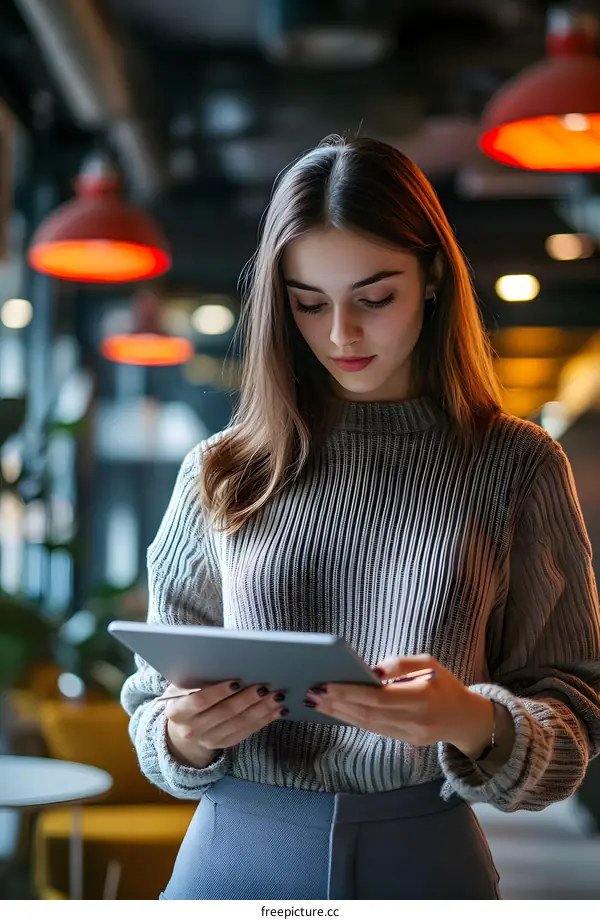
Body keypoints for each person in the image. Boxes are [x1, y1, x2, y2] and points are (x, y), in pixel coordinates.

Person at [121, 135, 600, 900]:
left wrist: (473, 720)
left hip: (425, 859)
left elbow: (576, 712)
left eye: (375, 298)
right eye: (309, 304)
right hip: (233, 858)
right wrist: (182, 733)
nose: (341, 334)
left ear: (433, 278)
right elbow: (153, 704)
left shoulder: (518, 466)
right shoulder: (222, 467)